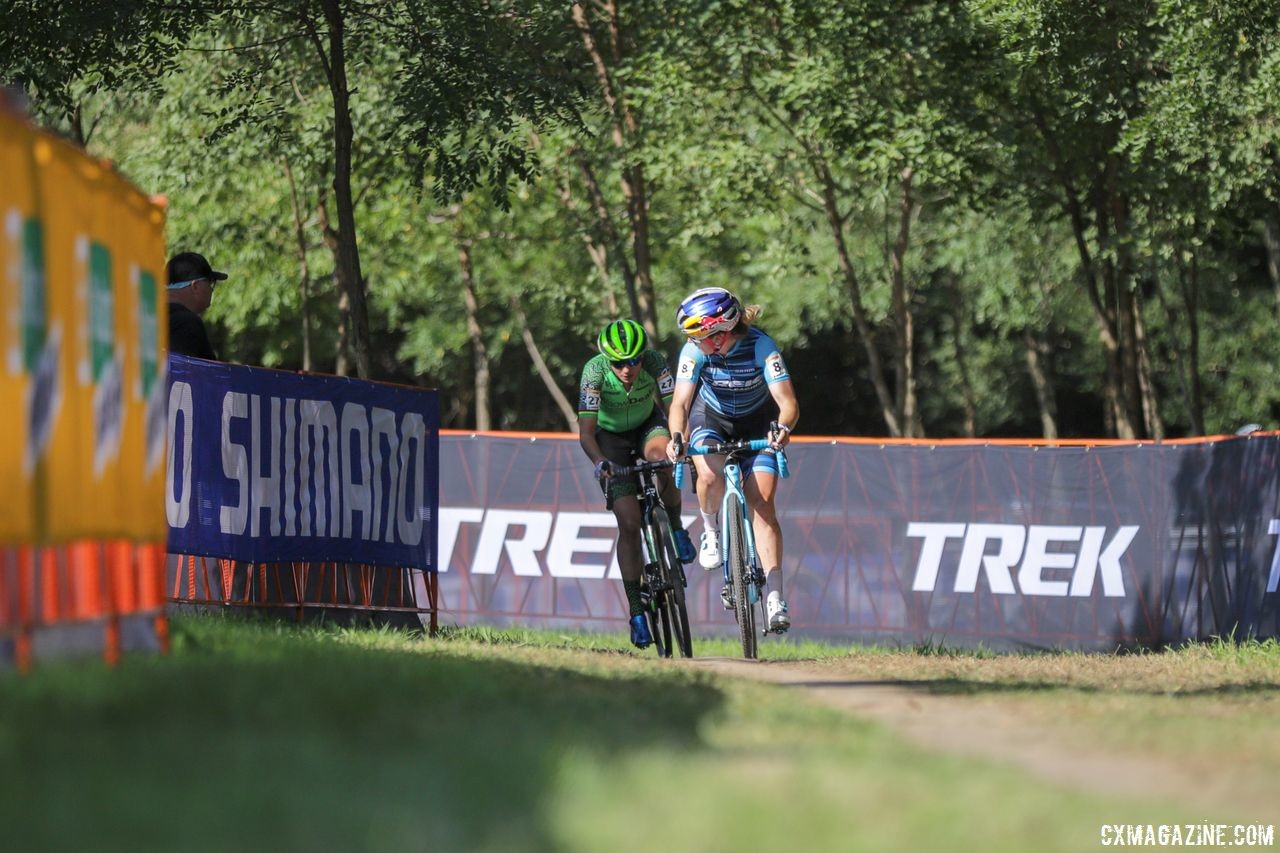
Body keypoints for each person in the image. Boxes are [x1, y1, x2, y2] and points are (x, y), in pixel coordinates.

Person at [665, 287, 799, 632]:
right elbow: (679, 404)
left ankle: (775, 596)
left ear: (723, 331)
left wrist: (782, 428)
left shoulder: (762, 346)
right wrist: (677, 439)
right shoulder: (694, 352)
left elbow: (787, 403)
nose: (697, 342)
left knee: (763, 503)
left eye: (702, 336)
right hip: (712, 420)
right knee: (708, 476)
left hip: (758, 421)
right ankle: (710, 530)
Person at [578, 318, 698, 649]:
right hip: (610, 439)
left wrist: (679, 440)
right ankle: (636, 613)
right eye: (619, 363)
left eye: (634, 360)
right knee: (629, 523)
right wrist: (601, 462)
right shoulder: (594, 373)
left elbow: (677, 405)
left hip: (648, 425)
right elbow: (586, 433)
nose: (628, 369)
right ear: (607, 360)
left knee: (663, 459)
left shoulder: (656, 362)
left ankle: (675, 527)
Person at [166, 251, 227, 359]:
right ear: (195, 286)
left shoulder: (147, 316)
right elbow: (182, 373)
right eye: (210, 282)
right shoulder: (186, 323)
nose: (211, 289)